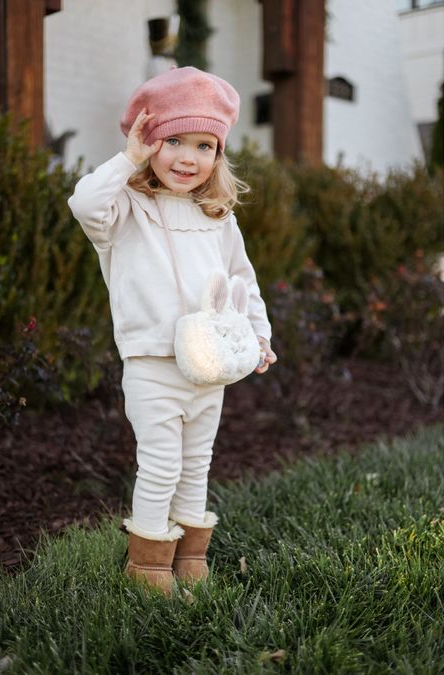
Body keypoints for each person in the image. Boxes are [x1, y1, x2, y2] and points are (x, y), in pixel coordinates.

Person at [68, 66, 277, 595]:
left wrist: (258, 334)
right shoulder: (125, 210)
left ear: (218, 155)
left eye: (205, 145)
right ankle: (149, 568)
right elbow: (84, 202)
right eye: (173, 141)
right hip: (153, 364)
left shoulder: (218, 214)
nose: (188, 157)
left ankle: (189, 557)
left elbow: (241, 281)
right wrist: (128, 160)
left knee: (196, 464)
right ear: (148, 140)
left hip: (211, 367)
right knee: (160, 464)